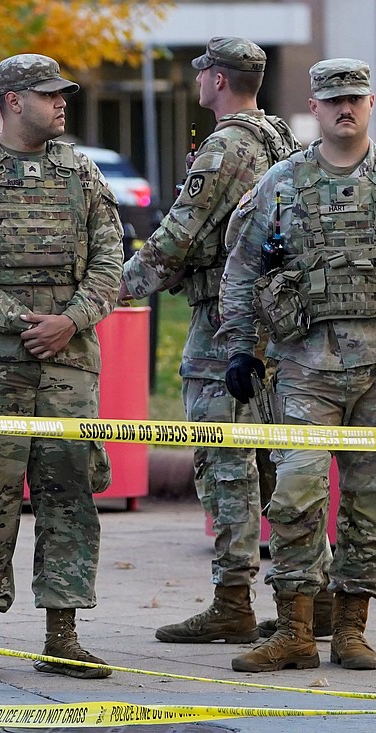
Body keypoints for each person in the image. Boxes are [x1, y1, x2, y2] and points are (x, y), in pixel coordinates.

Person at [218, 59, 376, 672]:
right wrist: (239, 348)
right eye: (333, 99)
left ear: (369, 103)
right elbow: (242, 271)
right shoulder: (281, 184)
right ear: (313, 106)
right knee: (296, 493)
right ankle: (295, 631)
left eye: (355, 99)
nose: (344, 109)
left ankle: (352, 627)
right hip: (305, 365)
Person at [117, 38, 333, 646]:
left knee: (226, 459)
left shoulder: (226, 145)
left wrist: (109, 291)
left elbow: (177, 240)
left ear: (215, 80)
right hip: (279, 326)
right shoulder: (278, 138)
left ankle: (232, 599)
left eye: (201, 74)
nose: (199, 82)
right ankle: (304, 602)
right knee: (279, 462)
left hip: (225, 325)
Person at [0, 54, 124, 681]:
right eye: (49, 95)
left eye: (64, 94)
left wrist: (71, 319)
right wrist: (17, 321)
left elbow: (112, 256)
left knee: (70, 496)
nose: (63, 103)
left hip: (68, 367)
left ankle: (62, 635)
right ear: (12, 101)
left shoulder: (82, 173)